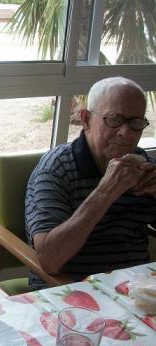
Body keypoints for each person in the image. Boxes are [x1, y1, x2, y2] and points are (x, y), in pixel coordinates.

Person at [25, 76, 155, 290]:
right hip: (71, 288)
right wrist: (105, 193)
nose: (126, 133)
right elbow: (50, 259)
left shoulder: (143, 167)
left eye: (136, 123)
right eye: (114, 119)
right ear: (86, 120)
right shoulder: (57, 169)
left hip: (135, 287)